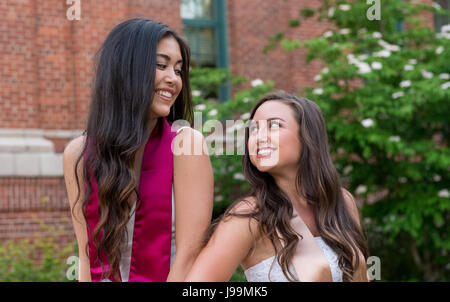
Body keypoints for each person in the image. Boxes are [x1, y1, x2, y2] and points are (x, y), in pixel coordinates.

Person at [63, 18, 214, 282]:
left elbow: (190, 254)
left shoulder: (185, 146)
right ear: (126, 69)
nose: (173, 80)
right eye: (161, 65)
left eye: (178, 70)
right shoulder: (78, 154)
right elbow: (87, 256)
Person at [185, 93, 369, 282]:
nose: (259, 137)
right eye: (254, 129)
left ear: (308, 137)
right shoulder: (250, 216)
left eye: (274, 125)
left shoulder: (342, 203)